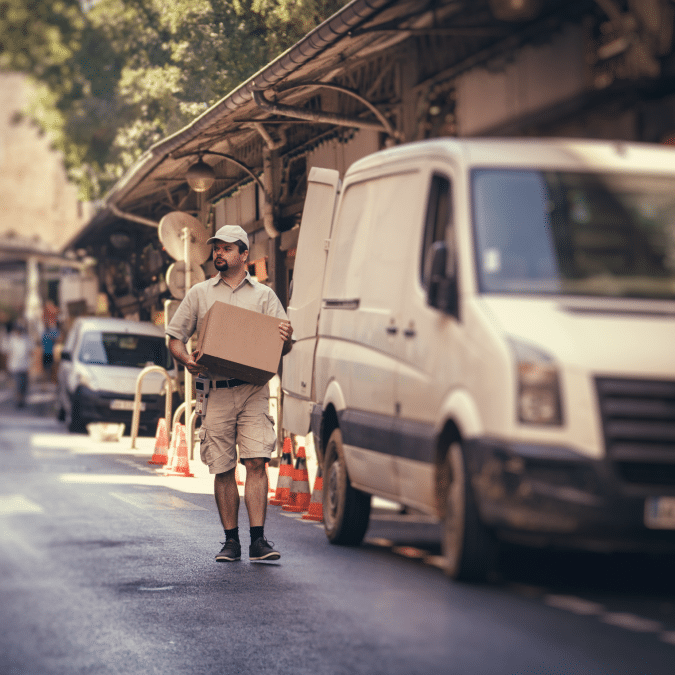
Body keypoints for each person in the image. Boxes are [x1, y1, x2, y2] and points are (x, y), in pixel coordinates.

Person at [166, 224, 293, 563]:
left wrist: (286, 335)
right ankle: (231, 541)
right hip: (216, 390)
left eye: (225, 248)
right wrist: (187, 360)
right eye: (216, 248)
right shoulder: (200, 293)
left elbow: (284, 345)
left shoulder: (264, 296)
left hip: (253, 390)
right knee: (222, 467)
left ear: (244, 255)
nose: (218, 253)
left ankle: (258, 540)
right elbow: (175, 338)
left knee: (256, 460)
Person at [6, 321, 33, 408]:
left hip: (25, 365)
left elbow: (30, 351)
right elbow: (8, 352)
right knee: (18, 384)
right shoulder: (11, 339)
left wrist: (31, 363)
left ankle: (22, 399)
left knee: (24, 385)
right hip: (15, 366)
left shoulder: (26, 339)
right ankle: (19, 400)